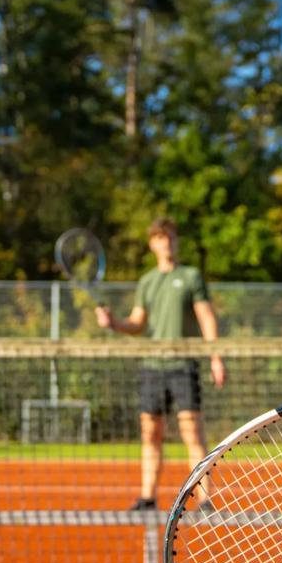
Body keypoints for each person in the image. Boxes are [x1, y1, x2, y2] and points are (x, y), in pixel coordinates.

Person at [95, 217, 226, 511]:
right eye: (159, 237)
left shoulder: (191, 277)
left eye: (170, 237)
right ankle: (147, 497)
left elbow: (206, 318)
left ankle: (205, 499)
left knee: (192, 431)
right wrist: (113, 323)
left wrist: (216, 356)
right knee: (150, 432)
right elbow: (137, 323)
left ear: (176, 241)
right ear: (152, 243)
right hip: (153, 367)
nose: (166, 242)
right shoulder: (147, 282)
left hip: (184, 365)